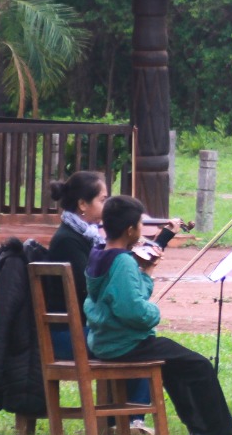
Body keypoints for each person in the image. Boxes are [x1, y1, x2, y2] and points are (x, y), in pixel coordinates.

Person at [84, 195, 232, 435]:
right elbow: (133, 311)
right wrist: (153, 312)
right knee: (200, 366)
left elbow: (124, 296)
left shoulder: (98, 254)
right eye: (140, 224)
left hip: (105, 339)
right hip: (124, 343)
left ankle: (202, 434)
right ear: (130, 230)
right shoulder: (122, 261)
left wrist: (146, 274)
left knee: (175, 366)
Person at [44, 171, 151, 408]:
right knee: (136, 342)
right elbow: (91, 292)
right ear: (83, 204)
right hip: (66, 335)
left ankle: (120, 417)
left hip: (81, 329)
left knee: (130, 336)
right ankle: (132, 418)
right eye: (102, 199)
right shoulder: (68, 240)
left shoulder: (85, 237)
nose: (106, 205)